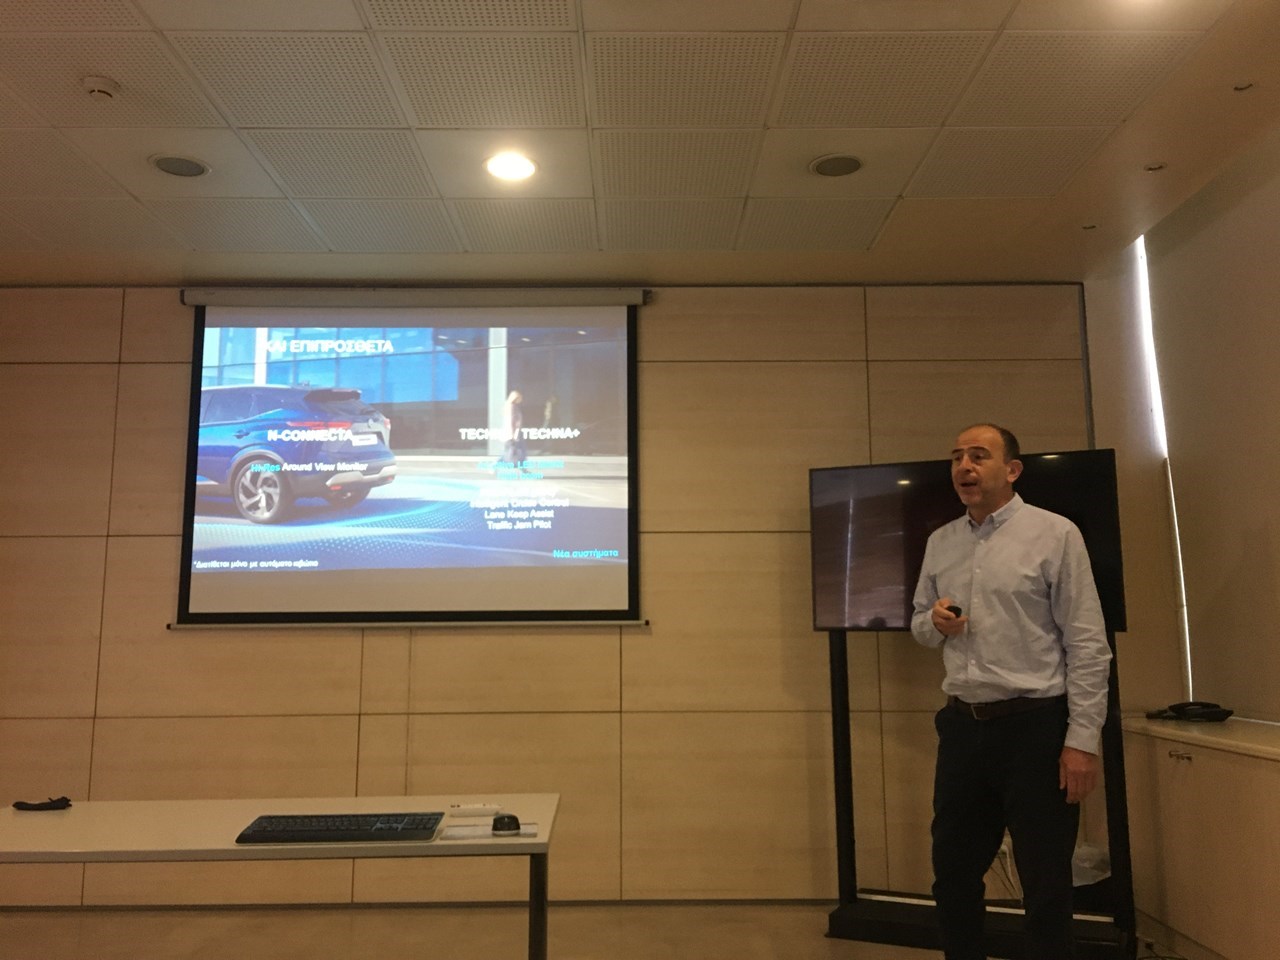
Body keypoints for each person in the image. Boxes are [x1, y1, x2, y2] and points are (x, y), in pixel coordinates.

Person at [910, 423, 1112, 960]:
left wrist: (1082, 741)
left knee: (1045, 883)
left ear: (1013, 470)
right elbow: (920, 625)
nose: (964, 467)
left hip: (1036, 729)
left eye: (979, 456)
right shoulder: (941, 542)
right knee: (953, 874)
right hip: (962, 728)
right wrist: (934, 622)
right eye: (957, 457)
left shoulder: (1055, 534)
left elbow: (1087, 643)